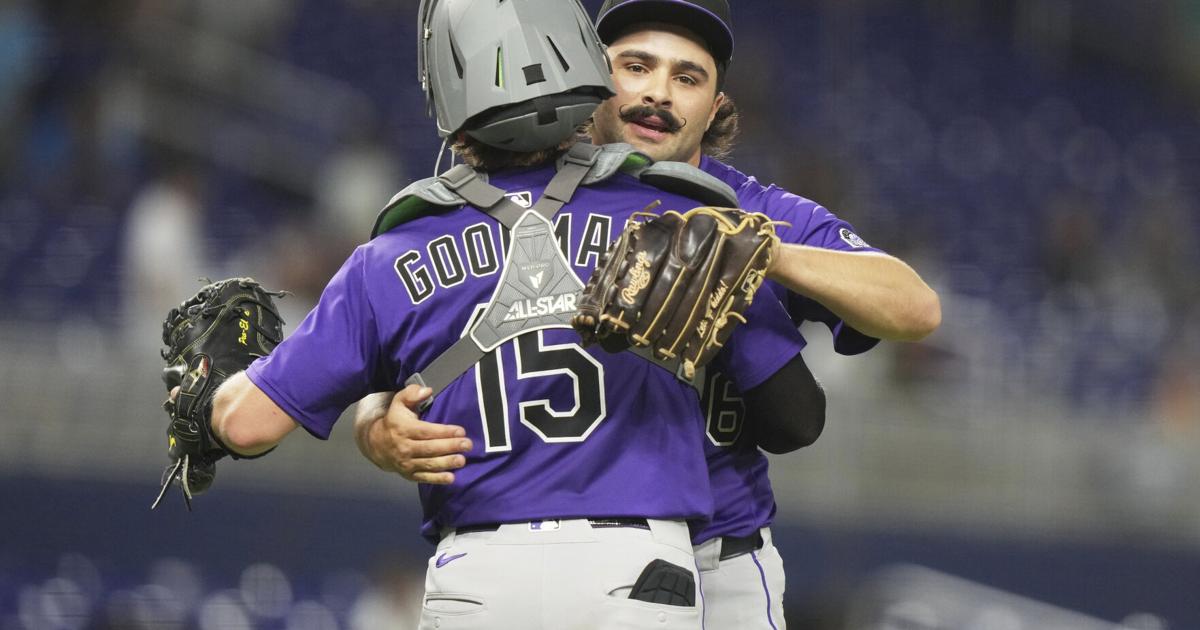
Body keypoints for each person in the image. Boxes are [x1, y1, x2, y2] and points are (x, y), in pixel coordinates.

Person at [198, 0, 813, 628]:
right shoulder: (676, 221)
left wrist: (208, 391)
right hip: (637, 568)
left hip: (478, 574)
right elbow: (795, 415)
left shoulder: (387, 256)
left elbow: (244, 425)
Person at [356, 1, 942, 628]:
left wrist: (763, 250)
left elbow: (916, 308)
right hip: (559, 555)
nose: (658, 93)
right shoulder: (517, 194)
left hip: (723, 558)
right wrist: (374, 426)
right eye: (636, 67)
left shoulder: (754, 210)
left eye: (687, 77)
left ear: (716, 106)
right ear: (589, 74)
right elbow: (387, 352)